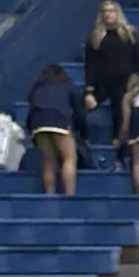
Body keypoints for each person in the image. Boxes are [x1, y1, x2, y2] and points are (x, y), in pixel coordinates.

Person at [84, 0, 139, 145]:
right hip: (102, 80)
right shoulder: (96, 37)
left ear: (117, 13)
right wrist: (89, 90)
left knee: (120, 110)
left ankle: (118, 141)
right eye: (105, 11)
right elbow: (90, 65)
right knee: (81, 107)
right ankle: (83, 139)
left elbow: (138, 58)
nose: (108, 14)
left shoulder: (129, 33)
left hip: (124, 80)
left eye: (111, 11)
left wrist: (138, 78)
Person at [24, 60, 80, 196]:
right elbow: (79, 111)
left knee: (48, 161)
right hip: (59, 120)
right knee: (69, 158)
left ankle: (50, 196)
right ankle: (70, 196)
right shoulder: (66, 85)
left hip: (38, 124)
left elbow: (30, 112)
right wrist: (84, 133)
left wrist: (31, 131)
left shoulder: (37, 87)